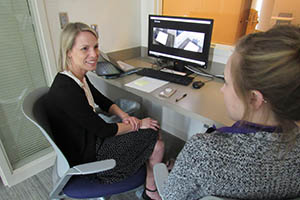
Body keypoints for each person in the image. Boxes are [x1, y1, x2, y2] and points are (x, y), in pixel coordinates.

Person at [161, 25, 300, 200]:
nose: (222, 91)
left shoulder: (203, 153)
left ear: (254, 99)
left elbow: (170, 196)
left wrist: (185, 168)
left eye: (226, 82)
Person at [46, 22, 164, 200]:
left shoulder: (76, 77)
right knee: (155, 136)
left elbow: (102, 100)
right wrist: (138, 124)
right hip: (89, 155)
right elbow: (104, 130)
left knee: (150, 133)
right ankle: (150, 187)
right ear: (69, 51)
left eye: (95, 47)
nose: (94, 54)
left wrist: (125, 116)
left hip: (89, 140)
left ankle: (152, 171)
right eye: (85, 49)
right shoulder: (67, 90)